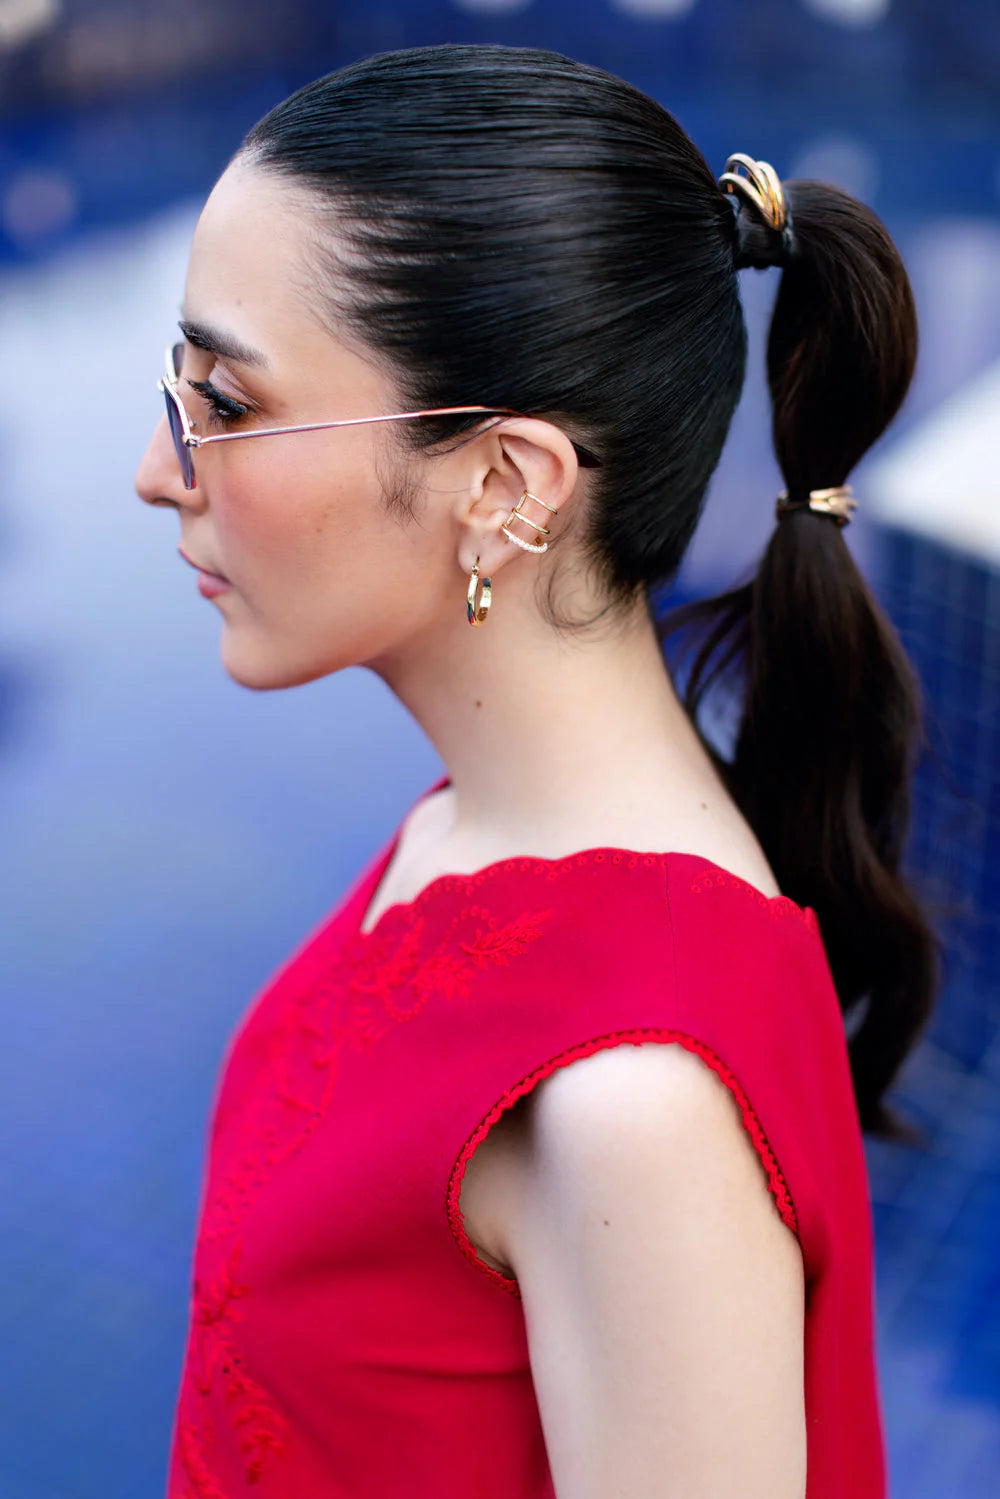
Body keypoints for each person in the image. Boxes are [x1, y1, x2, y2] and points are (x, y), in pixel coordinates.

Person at [134, 43, 939, 1499]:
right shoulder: (489, 826)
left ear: (507, 487)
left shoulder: (635, 1095)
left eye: (227, 404)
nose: (156, 467)